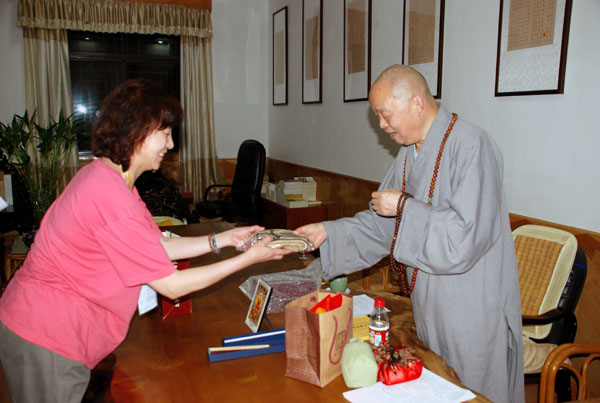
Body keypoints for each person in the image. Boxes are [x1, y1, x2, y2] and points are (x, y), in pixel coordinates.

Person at [0, 78, 292, 402]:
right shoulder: (107, 192)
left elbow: (157, 247)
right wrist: (250, 258)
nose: (170, 145)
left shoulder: (115, 182)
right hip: (46, 335)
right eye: (165, 133)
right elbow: (171, 286)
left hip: (56, 331)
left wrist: (224, 239)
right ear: (136, 131)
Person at [296, 65, 524, 402]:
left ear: (416, 102)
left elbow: (466, 237)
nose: (382, 125)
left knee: (473, 391)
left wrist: (404, 204)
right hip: (429, 305)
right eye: (377, 116)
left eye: (385, 115)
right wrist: (327, 232)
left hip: (470, 306)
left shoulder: (472, 145)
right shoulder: (409, 153)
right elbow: (381, 226)